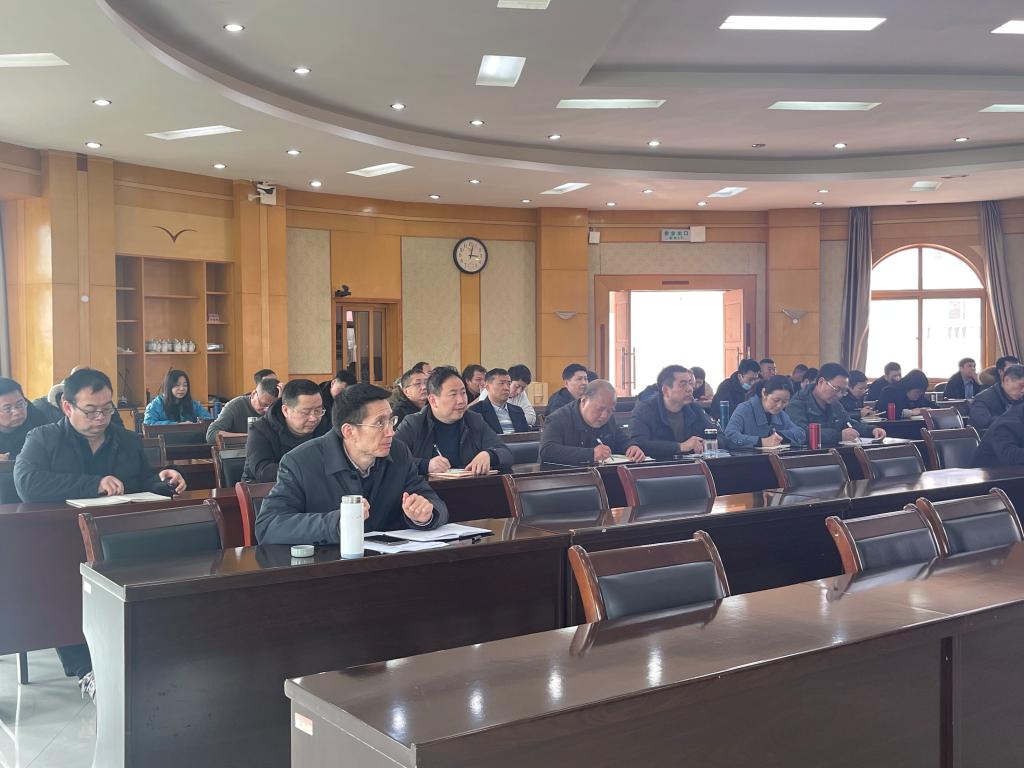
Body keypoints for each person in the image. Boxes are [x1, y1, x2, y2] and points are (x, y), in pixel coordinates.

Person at [255, 384, 448, 544]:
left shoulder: (399, 453)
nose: (390, 432)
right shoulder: (300, 462)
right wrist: (338, 522)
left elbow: (434, 502)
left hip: (387, 564)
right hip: (329, 567)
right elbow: (268, 526)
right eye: (380, 423)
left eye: (391, 421)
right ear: (349, 431)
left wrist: (425, 515)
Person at [394, 366, 513, 475]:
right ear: (433, 400)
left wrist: (489, 455)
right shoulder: (413, 424)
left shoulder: (473, 420)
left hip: (472, 487)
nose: (461, 400)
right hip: (428, 489)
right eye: (453, 394)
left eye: (463, 393)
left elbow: (506, 453)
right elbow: (393, 459)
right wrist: (426, 465)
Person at [242, 379, 330, 482]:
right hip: (264, 489)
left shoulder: (327, 426)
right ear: (286, 410)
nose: (313, 418)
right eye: (305, 412)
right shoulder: (260, 430)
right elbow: (264, 471)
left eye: (318, 410)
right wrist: (307, 471)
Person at [539, 380, 645, 465]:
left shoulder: (608, 418)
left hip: (601, 476)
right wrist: (591, 454)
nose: (604, 415)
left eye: (610, 410)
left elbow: (621, 440)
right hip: (563, 479)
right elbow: (547, 451)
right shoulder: (557, 419)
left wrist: (631, 447)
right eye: (600, 409)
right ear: (584, 401)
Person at [786, 363, 887, 447]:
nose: (839, 395)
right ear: (821, 382)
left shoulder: (834, 403)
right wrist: (839, 436)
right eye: (837, 389)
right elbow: (801, 434)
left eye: (844, 391)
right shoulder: (797, 404)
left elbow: (848, 423)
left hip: (834, 454)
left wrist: (872, 430)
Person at [628, 366, 714, 459]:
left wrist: (705, 442)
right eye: (683, 384)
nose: (690, 389)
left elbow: (719, 435)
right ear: (666, 390)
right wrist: (680, 447)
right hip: (658, 465)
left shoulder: (694, 408)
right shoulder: (644, 410)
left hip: (692, 464)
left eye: (690, 383)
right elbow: (639, 444)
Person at [724, 375, 806, 449]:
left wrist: (780, 435)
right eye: (775, 400)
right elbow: (730, 435)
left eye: (784, 402)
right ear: (764, 393)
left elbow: (800, 433)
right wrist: (761, 441)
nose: (779, 406)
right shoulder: (744, 409)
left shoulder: (781, 415)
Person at [206, 376, 279, 443]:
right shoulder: (235, 405)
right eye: (264, 404)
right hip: (239, 451)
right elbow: (211, 434)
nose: (266, 410)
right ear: (253, 394)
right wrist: (250, 437)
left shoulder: (277, 408)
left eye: (271, 406)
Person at [0, 378, 54, 460]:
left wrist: (9, 459)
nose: (17, 412)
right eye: (7, 408)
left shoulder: (37, 419)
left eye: (20, 404)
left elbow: (50, 453)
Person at [470, 368, 532, 434]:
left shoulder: (518, 411)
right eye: (501, 383)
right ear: (487, 387)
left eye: (509, 384)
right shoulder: (475, 412)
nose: (506, 388)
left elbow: (526, 437)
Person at [144, 369, 212, 424]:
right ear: (168, 386)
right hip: (165, 437)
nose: (182, 388)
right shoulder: (155, 405)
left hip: (191, 437)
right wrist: (177, 425)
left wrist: (197, 424)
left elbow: (209, 420)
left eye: (185, 385)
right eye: (177, 385)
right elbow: (148, 424)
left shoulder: (193, 404)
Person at [969, 364, 1024, 431]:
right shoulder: (982, 399)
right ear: (1007, 380)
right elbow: (982, 424)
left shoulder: (1020, 398)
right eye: (1021, 385)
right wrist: (1013, 420)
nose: (1023, 391)